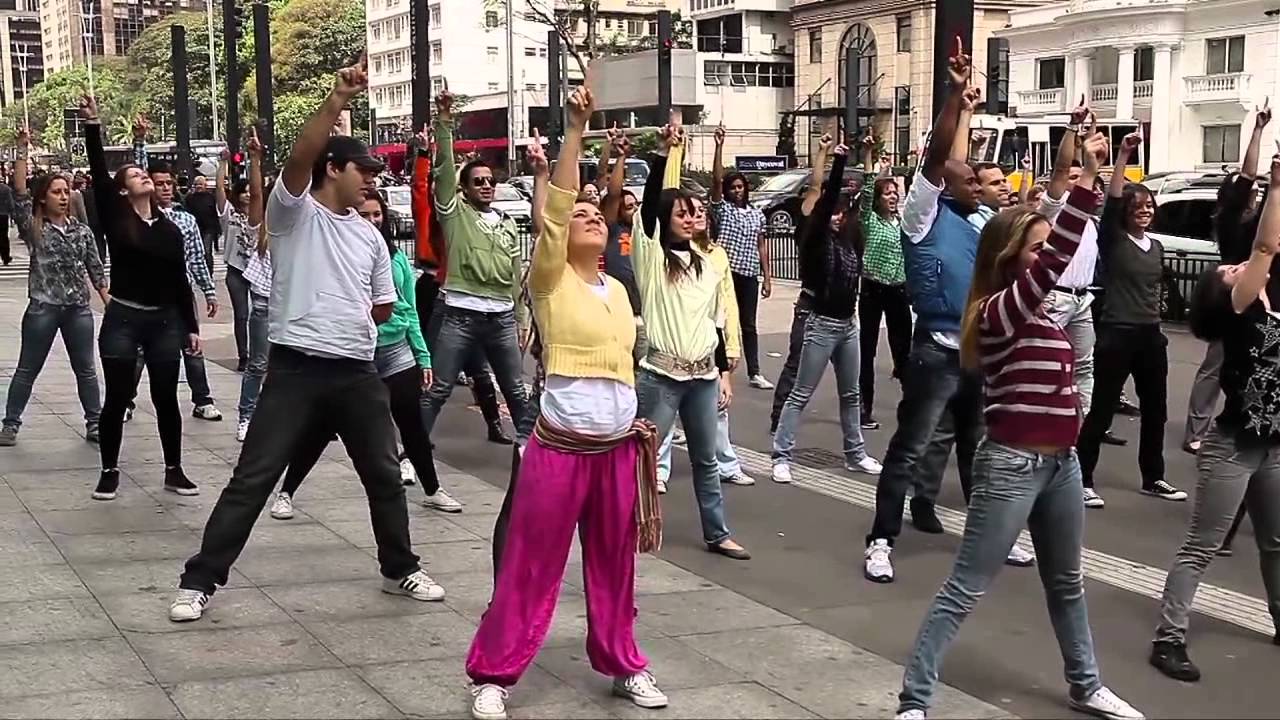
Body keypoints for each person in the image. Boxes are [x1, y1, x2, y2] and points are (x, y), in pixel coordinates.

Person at [170, 58, 441, 623]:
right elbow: (298, 157)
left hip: (357, 370)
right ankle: (199, 580)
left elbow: (382, 303)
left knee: (384, 475)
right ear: (333, 168)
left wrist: (346, 318)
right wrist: (337, 99)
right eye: (362, 170)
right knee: (253, 477)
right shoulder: (292, 214)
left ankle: (399, 567)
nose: (371, 180)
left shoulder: (369, 236)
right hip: (295, 369)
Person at [892, 125, 1142, 720]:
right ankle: (914, 700)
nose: (1046, 256)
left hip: (1061, 465)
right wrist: (1088, 175)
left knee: (1067, 583)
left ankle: (1086, 684)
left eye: (1044, 248)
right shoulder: (997, 311)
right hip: (1012, 465)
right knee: (966, 586)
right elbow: (1058, 257)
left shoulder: (1044, 317)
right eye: (1035, 248)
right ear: (1009, 256)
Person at [465, 80, 667, 720]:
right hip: (558, 449)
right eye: (581, 216)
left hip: (615, 450)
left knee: (615, 567)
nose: (591, 219)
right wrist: (575, 130)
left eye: (597, 216)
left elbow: (624, 367)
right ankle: (494, 673)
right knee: (531, 564)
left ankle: (623, 662)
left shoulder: (620, 290)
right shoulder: (549, 281)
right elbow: (554, 210)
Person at [1149, 158, 1280, 683]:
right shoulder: (1239, 312)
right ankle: (1168, 638)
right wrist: (1276, 187)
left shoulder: (1269, 302)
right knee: (1201, 546)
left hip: (1273, 447)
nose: (1238, 266)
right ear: (1223, 292)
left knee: (1275, 543)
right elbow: (1264, 247)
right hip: (1234, 449)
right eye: (1228, 270)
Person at [863, 41, 988, 583]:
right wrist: (953, 97)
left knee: (977, 451)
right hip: (934, 354)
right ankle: (881, 541)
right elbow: (940, 158)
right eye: (969, 180)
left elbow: (955, 161)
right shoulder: (921, 217)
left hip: (976, 353)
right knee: (909, 450)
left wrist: (966, 111)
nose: (977, 185)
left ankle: (988, 537)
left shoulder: (979, 220)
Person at [269, 186, 462, 519]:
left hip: (396, 350)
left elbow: (410, 310)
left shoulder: (397, 259)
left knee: (412, 425)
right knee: (322, 426)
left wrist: (422, 356)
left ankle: (432, 489)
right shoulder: (342, 254)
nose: (373, 221)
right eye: (365, 214)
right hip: (356, 352)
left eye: (377, 214)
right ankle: (286, 491)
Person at [634, 110, 749, 561]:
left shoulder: (707, 263)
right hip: (661, 376)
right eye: (680, 213)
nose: (688, 219)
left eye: (692, 213)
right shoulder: (651, 256)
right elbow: (649, 207)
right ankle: (628, 525)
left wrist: (723, 373)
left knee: (706, 460)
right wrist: (664, 154)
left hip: (702, 377)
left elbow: (715, 324)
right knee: (642, 458)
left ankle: (717, 532)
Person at [82, 95, 201, 501]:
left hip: (164, 321)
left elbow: (179, 280)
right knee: (117, 397)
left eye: (143, 173)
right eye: (135, 175)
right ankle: (109, 471)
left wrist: (191, 327)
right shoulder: (117, 218)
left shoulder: (170, 229)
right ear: (123, 190)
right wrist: (93, 124)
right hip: (124, 318)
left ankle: (174, 470)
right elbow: (99, 173)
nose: (144, 177)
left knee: (166, 397)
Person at [1075, 131, 1185, 504]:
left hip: (1150, 336)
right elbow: (1113, 201)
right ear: (1125, 211)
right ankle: (1082, 478)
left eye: (1150, 205)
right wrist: (1123, 155)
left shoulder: (1156, 246)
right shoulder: (1113, 239)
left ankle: (1153, 477)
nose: (1145, 210)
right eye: (1137, 205)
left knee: (1156, 411)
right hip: (1117, 334)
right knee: (1102, 408)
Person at [420, 88, 531, 442]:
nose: (486, 186)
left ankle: (531, 457)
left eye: (490, 181)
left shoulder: (507, 223)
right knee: (438, 388)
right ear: (464, 188)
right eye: (478, 182)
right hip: (460, 313)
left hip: (500, 317)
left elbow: (514, 275)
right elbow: (443, 175)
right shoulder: (456, 214)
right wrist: (444, 122)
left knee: (516, 391)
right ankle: (411, 453)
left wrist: (519, 318)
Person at [771, 139, 882, 483]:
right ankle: (781, 456)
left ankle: (855, 453)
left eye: (841, 212)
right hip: (821, 324)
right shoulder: (816, 240)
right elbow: (825, 196)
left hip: (848, 324)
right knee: (800, 392)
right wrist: (838, 163)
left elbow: (865, 203)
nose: (837, 217)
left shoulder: (850, 239)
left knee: (851, 393)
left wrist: (867, 163)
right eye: (832, 212)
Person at [0, 128, 108, 447]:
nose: (63, 197)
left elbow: (95, 268)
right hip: (43, 308)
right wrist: (22, 149)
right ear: (44, 198)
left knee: (86, 369)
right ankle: (11, 423)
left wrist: (107, 299)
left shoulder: (82, 232)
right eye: (56, 192)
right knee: (27, 369)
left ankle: (95, 422)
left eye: (66, 191)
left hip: (77, 309)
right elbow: (20, 192)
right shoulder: (34, 228)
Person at [1183, 103, 1271, 455]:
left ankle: (1258, 425)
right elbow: (1248, 174)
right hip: (1233, 299)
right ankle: (1197, 430)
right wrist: (1258, 131)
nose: (1255, 193)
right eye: (1250, 192)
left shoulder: (1260, 220)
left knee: (1260, 366)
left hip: (1262, 300)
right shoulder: (1232, 221)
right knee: (1215, 366)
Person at [1034, 101, 1106, 507]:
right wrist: (1073, 129)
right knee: (1047, 368)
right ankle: (1037, 440)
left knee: (1084, 372)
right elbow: (1063, 169)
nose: (1082, 183)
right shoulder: (1055, 209)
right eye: (1076, 178)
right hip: (1055, 297)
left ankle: (1070, 438)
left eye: (1087, 178)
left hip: (1082, 301)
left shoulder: (1091, 222)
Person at [134, 140, 222, 422]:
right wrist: (139, 142)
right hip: (146, 294)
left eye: (169, 183)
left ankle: (202, 399)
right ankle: (126, 400)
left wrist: (209, 291)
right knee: (139, 350)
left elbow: (196, 258)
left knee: (192, 346)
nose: (165, 188)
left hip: (180, 294)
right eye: (159, 183)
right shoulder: (141, 217)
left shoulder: (186, 220)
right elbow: (137, 174)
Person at [710, 123, 774, 390]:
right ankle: (719, 367)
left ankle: (755, 371)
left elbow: (761, 246)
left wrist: (767, 277)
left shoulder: (757, 214)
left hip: (748, 274)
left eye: (740, 187)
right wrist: (719, 146)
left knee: (748, 323)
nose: (737, 191)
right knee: (722, 320)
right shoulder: (723, 209)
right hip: (726, 273)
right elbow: (715, 181)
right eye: (733, 187)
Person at [856, 134, 910, 431]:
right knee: (867, 349)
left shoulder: (901, 223)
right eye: (887, 193)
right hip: (873, 289)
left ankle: (913, 407)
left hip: (898, 290)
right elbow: (866, 191)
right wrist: (869, 157)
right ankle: (864, 408)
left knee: (904, 351)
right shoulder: (871, 221)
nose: (892, 197)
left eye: (894, 193)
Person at [231, 131, 270, 443]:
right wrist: (255, 160)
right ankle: (246, 416)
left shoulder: (303, 226)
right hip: (265, 303)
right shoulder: (264, 227)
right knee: (258, 364)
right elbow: (256, 195)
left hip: (294, 305)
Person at [218, 158, 254, 372]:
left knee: (261, 315)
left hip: (257, 271)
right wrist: (222, 163)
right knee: (241, 314)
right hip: (236, 270)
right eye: (244, 192)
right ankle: (244, 355)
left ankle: (260, 353)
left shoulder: (261, 214)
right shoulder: (229, 213)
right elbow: (220, 191)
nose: (248, 195)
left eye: (251, 192)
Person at [185, 173, 221, 277]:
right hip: (195, 228)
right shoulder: (190, 198)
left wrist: (217, 229)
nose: (199, 186)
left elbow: (215, 213)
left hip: (209, 228)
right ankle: (198, 272)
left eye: (201, 184)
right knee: (196, 251)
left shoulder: (211, 197)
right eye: (197, 184)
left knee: (207, 250)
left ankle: (209, 272)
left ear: (205, 185)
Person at [0, 165, 13, 265]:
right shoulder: (7, 189)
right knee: (4, 236)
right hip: (3, 215)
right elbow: (10, 203)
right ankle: (5, 257)